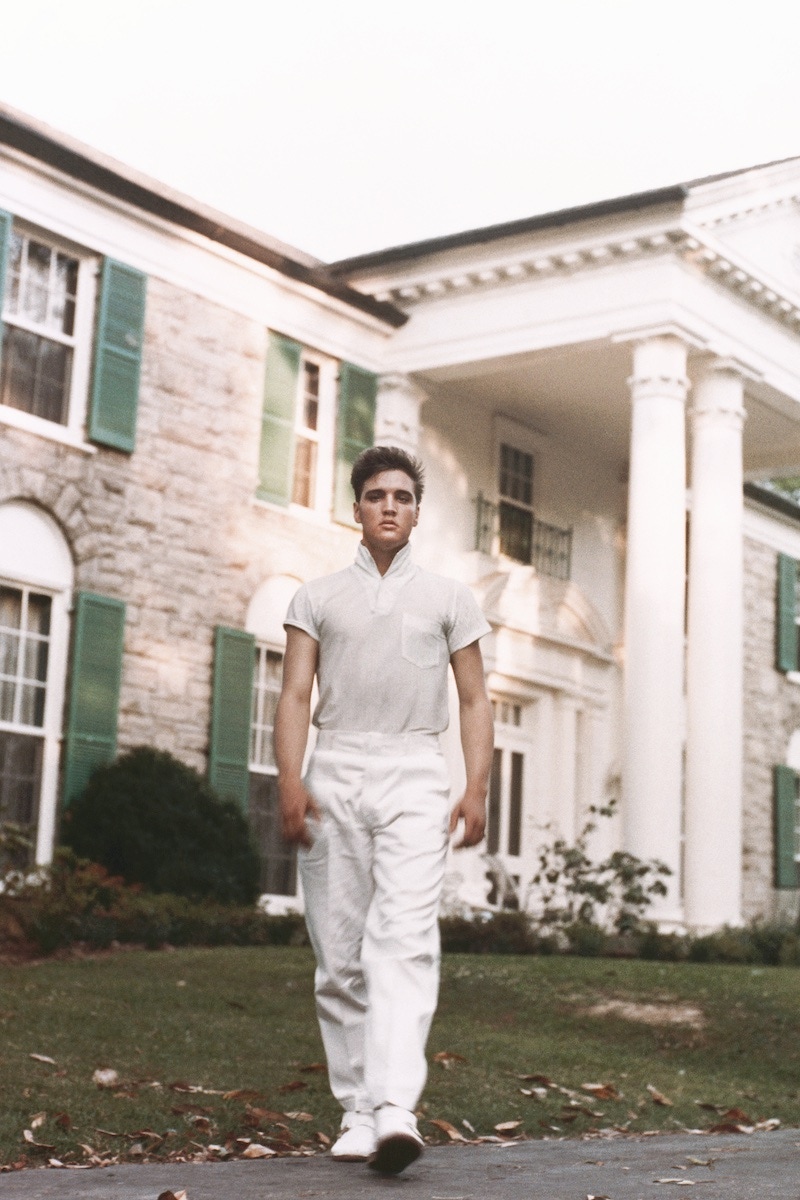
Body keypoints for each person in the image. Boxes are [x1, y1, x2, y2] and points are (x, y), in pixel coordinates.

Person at [273, 445, 494, 1175]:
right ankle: (357, 1112)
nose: (389, 505)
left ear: (417, 510)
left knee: (402, 940)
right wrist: (289, 782)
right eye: (376, 495)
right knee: (339, 956)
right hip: (334, 769)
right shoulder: (316, 597)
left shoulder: (450, 598)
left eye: (402, 495)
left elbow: (473, 699)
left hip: (413, 773)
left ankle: (396, 1106)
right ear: (358, 509)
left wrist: (476, 787)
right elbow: (296, 696)